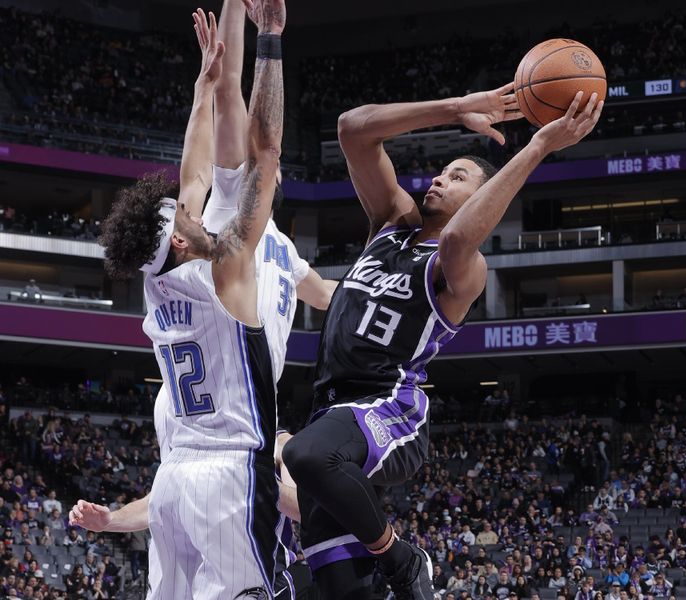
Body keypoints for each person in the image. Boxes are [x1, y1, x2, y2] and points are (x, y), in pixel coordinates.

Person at [279, 74, 602, 597]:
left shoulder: (463, 268)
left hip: (387, 408)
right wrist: (455, 108)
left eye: (458, 178)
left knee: (306, 456)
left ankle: (404, 559)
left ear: (484, 201)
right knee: (342, 588)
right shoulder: (390, 222)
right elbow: (352, 130)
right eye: (442, 171)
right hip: (331, 415)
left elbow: (457, 236)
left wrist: (540, 145)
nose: (438, 179)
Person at [71, 1, 337, 595]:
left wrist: (204, 85)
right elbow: (261, 146)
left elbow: (196, 165)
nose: (188, 203)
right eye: (182, 215)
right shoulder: (227, 262)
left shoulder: (156, 274)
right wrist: (269, 35)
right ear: (181, 239)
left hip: (176, 476)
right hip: (230, 471)